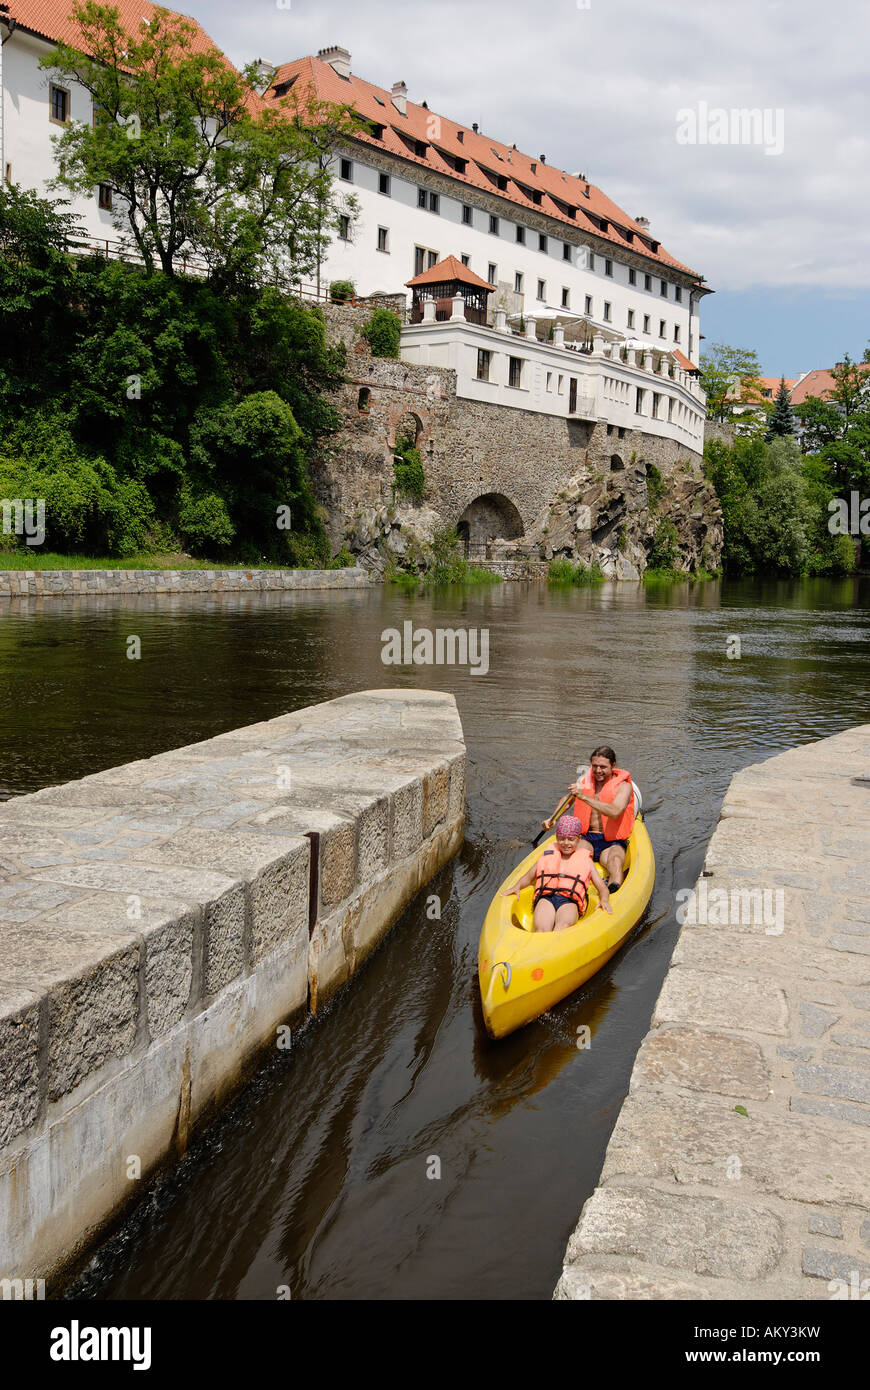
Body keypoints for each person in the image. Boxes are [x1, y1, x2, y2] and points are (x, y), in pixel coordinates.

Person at [542, 745, 635, 890]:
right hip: (587, 838)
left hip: (612, 841)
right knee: (572, 858)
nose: (598, 770)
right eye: (594, 766)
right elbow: (567, 801)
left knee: (615, 861)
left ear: (613, 765)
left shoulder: (624, 787)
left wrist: (583, 797)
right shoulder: (585, 782)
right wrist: (552, 818)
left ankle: (613, 894)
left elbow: (615, 811)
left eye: (603, 767)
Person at [502, 814, 612, 932]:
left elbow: (602, 887)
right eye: (561, 838)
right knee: (542, 929)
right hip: (546, 898)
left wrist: (604, 900)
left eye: (571, 839)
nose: (565, 843)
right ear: (557, 837)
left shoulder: (586, 861)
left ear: (578, 839)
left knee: (562, 926)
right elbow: (528, 877)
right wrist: (516, 886)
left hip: (570, 901)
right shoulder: (548, 855)